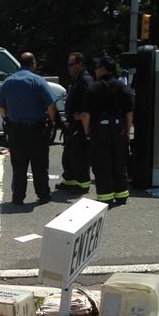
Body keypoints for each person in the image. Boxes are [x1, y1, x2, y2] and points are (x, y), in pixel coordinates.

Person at [0, 52, 57, 205]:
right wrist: (52, 121)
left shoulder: (8, 82)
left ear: (20, 64)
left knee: (19, 166)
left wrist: (7, 118)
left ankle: (18, 197)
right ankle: (43, 195)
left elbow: (0, 105)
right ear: (33, 63)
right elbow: (51, 105)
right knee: (39, 165)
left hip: (16, 130)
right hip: (37, 130)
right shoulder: (38, 81)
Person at [81, 56, 133, 207]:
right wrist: (127, 132)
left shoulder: (94, 88)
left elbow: (85, 115)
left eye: (97, 67)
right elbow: (129, 113)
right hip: (118, 128)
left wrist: (87, 131)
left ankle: (105, 197)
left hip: (100, 130)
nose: (95, 70)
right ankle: (122, 195)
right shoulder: (122, 87)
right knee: (119, 162)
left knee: (102, 164)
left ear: (103, 69)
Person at [56, 52, 94, 193]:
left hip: (80, 125)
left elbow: (91, 103)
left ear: (79, 64)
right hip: (72, 125)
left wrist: (82, 118)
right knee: (69, 155)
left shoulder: (86, 80)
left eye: (70, 65)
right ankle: (69, 181)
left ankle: (83, 185)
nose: (68, 68)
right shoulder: (77, 80)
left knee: (80, 156)